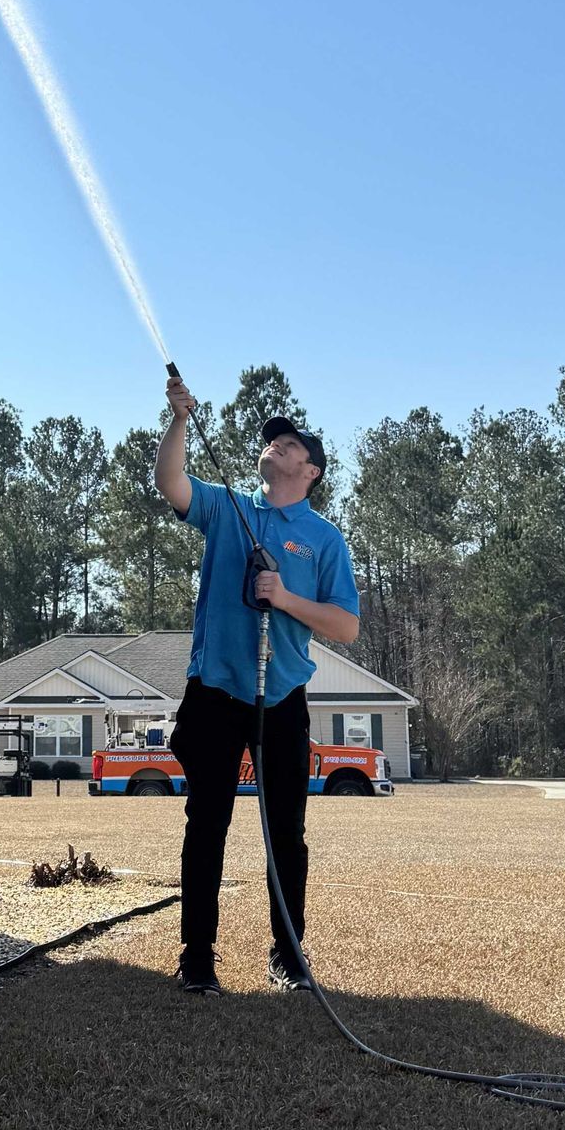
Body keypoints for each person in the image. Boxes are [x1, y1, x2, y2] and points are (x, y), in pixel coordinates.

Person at [155, 369, 361, 995]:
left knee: (286, 834)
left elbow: (346, 626)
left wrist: (285, 597)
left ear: (311, 471)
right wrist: (180, 420)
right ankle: (197, 959)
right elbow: (171, 482)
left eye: (289, 444)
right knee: (206, 821)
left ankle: (289, 956)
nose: (275, 446)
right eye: (271, 442)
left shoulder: (324, 539)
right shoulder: (229, 508)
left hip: (282, 699)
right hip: (216, 692)